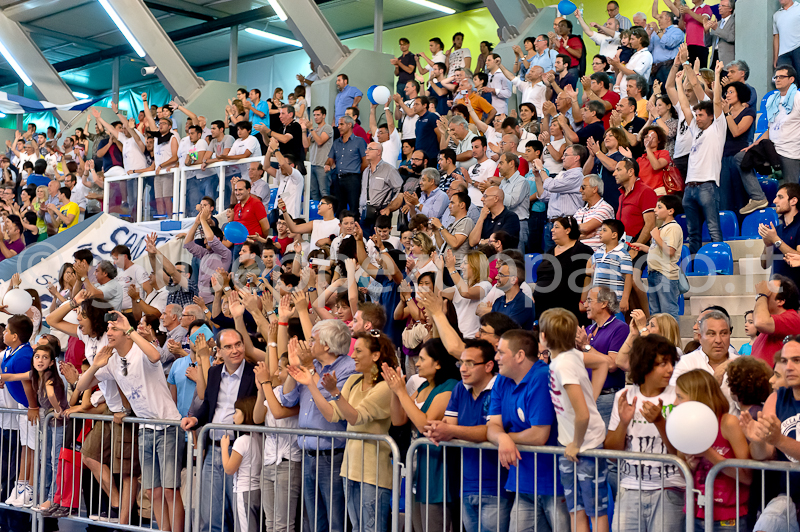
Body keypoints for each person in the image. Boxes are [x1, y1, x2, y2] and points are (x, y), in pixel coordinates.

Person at [75, 311, 185, 532]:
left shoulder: (140, 350)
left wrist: (131, 330)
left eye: (114, 329)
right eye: (108, 330)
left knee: (169, 490)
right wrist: (96, 365)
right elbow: (81, 386)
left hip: (168, 426)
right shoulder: (112, 361)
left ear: (126, 332)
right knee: (153, 491)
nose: (109, 333)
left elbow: (156, 357)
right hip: (145, 428)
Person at [292, 326, 397, 532]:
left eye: (358, 351)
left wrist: (335, 393)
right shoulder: (354, 381)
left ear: (375, 355)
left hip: (373, 472)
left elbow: (356, 417)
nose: (353, 356)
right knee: (356, 527)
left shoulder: (385, 387)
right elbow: (332, 414)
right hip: (350, 469)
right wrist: (312, 385)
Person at [421, 337, 511, 532]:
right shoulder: (460, 388)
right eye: (461, 363)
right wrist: (438, 430)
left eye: (470, 363)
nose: (463, 368)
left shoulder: (501, 387)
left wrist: (450, 430)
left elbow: (492, 431)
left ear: (488, 366)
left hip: (497, 486)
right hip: (467, 484)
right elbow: (449, 425)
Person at [279, 315, 356, 532]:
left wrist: (308, 370)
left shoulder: (347, 368)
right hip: (307, 454)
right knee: (313, 521)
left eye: (313, 340)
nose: (308, 344)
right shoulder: (309, 364)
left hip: (333, 455)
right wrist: (294, 369)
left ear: (327, 345)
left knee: (335, 521)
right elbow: (287, 399)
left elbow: (335, 409)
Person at [180, 329, 258, 532]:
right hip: (213, 449)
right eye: (229, 347)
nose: (235, 350)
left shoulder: (254, 373)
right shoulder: (213, 373)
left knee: (240, 516)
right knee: (211, 515)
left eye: (238, 344)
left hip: (240, 452)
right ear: (220, 351)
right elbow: (208, 405)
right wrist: (195, 419)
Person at [605, 334, 684, 531]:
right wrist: (623, 423)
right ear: (645, 365)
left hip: (670, 489)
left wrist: (660, 422)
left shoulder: (680, 395)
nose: (670, 369)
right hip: (629, 488)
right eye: (662, 364)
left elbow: (681, 452)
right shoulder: (624, 396)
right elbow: (612, 453)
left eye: (671, 363)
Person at [540, 308, 609, 532]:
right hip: (570, 442)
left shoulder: (564, 365)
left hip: (584, 444)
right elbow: (602, 363)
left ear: (544, 337)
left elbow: (583, 414)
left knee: (595, 511)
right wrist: (592, 396)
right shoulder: (568, 357)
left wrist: (577, 444)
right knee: (575, 508)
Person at [383, 338, 460, 532]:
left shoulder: (450, 387)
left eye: (422, 359)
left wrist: (401, 392)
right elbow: (398, 419)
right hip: (417, 467)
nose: (417, 363)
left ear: (438, 363)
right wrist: (395, 390)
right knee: (416, 526)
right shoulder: (424, 387)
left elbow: (424, 424)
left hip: (436, 468)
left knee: (433, 525)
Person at [672, 369, 751, 531]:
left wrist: (708, 453)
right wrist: (690, 467)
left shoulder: (728, 423)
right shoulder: (683, 425)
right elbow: (684, 473)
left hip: (728, 518)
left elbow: (747, 476)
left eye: (680, 397)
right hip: (694, 514)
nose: (674, 402)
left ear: (697, 397)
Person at [679, 59, 727, 255]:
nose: (696, 117)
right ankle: (693, 267)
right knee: (693, 233)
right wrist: (678, 82)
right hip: (689, 188)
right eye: (696, 115)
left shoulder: (718, 128)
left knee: (714, 229)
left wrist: (716, 75)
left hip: (707, 185)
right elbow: (683, 106)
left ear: (710, 117)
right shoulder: (695, 130)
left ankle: (719, 266)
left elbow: (716, 102)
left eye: (700, 115)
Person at [671, 310, 740, 413]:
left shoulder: (740, 364)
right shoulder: (686, 363)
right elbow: (675, 403)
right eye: (711, 334)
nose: (718, 340)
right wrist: (713, 383)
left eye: (724, 333)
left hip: (733, 426)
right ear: (700, 338)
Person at [579, 286, 630, 426]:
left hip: (607, 397)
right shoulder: (588, 330)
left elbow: (613, 364)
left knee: (605, 445)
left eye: (589, 300)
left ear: (604, 303)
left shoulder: (620, 328)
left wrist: (586, 347)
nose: (585, 304)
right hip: (587, 396)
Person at [0, 315, 35, 508]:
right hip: (24, 407)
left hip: (31, 408)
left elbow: (28, 382)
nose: (3, 333)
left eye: (6, 331)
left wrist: (33, 406)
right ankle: (19, 486)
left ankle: (27, 489)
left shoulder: (24, 356)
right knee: (24, 447)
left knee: (31, 448)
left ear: (14, 336)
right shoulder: (11, 352)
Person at [534, 217, 594, 321]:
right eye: (552, 227)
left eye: (556, 227)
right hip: (542, 310)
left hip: (568, 309)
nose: (552, 230)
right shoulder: (549, 251)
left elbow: (588, 277)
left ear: (567, 230)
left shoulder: (582, 250)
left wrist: (583, 302)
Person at [539, 145, 587, 251]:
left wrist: (541, 169)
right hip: (551, 224)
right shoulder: (561, 175)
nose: (562, 158)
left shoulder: (577, 176)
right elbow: (544, 196)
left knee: (563, 261)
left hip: (566, 225)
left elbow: (551, 186)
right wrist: (537, 176)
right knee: (550, 262)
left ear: (576, 158)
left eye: (565, 155)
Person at [587, 220, 634, 313]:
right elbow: (588, 265)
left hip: (615, 301)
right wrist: (593, 270)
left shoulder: (622, 254)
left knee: (615, 325)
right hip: (598, 300)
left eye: (604, 230)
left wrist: (625, 299)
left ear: (614, 235)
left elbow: (628, 277)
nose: (600, 233)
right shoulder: (599, 252)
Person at [752, 275, 800, 365]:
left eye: (770, 289)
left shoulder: (793, 318)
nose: (767, 292)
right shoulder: (767, 328)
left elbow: (760, 322)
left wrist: (761, 295)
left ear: (781, 300)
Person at [761, 184, 800, 290]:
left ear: (793, 201)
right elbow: (765, 264)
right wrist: (768, 244)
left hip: (795, 293)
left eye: (780, 197)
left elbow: (798, 257)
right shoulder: (777, 229)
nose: (774, 201)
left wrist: (775, 240)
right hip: (775, 293)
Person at [326, 115, 367, 214]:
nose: (338, 127)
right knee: (339, 208)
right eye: (338, 124)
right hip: (337, 178)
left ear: (349, 125)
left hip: (353, 179)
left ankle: (355, 228)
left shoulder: (359, 141)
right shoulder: (336, 143)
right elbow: (330, 159)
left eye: (341, 124)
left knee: (354, 207)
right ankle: (340, 228)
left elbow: (365, 162)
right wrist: (328, 164)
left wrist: (356, 172)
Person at [574, 174, 615, 251]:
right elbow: (566, 234)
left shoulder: (605, 208)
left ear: (594, 189)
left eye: (583, 187)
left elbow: (586, 228)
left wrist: (574, 232)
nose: (580, 190)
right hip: (577, 255)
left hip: (596, 257)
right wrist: (582, 237)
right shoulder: (579, 211)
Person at [491, 258, 535, 329]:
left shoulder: (525, 303)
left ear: (513, 280)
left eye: (501, 275)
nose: (496, 277)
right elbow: (490, 325)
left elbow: (507, 329)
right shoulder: (498, 301)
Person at [773, 0, 800, 72]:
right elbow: (776, 36)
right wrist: (776, 58)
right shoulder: (776, 15)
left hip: (798, 48)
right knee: (784, 79)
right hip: (783, 54)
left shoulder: (798, 8)